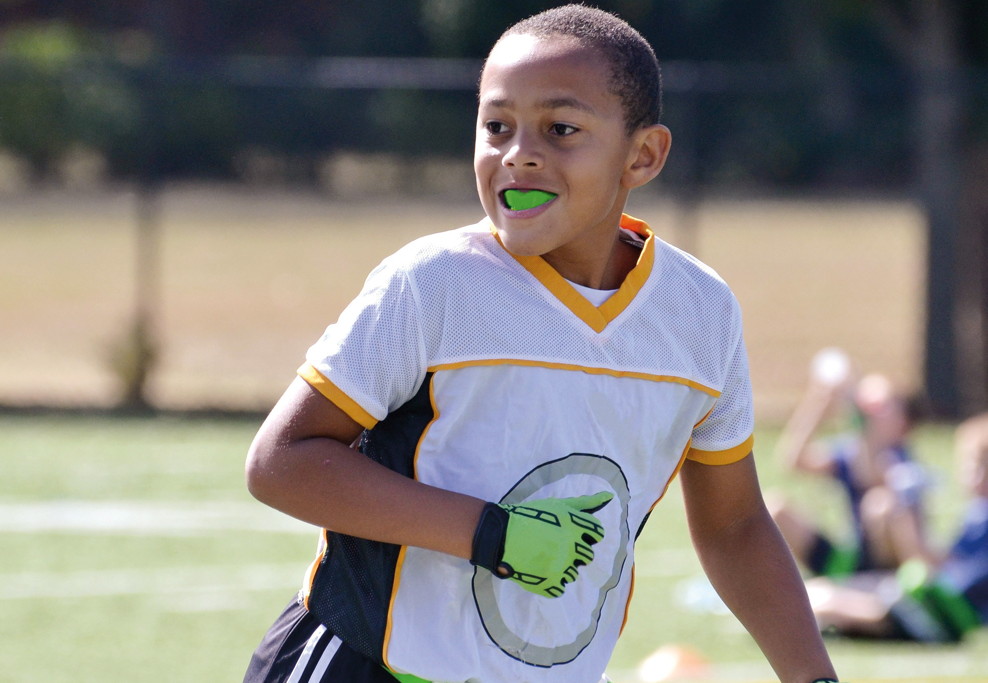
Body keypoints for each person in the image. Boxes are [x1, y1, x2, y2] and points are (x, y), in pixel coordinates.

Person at [243, 6, 839, 683]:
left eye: (561, 129)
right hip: (361, 665)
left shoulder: (701, 313)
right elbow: (280, 461)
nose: (518, 152)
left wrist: (814, 678)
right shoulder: (435, 282)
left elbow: (734, 528)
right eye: (496, 126)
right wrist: (489, 532)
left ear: (642, 155)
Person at [805, 414, 988, 642]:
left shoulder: (983, 515)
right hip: (935, 605)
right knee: (820, 594)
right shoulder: (976, 512)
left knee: (822, 602)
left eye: (973, 464)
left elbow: (945, 572)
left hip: (942, 613)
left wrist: (905, 520)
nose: (966, 473)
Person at [768, 361, 932, 578]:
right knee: (775, 508)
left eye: (881, 406)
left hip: (888, 566)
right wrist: (819, 403)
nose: (868, 411)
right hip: (853, 559)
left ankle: (896, 587)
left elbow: (874, 475)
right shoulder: (851, 450)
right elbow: (793, 461)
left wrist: (863, 428)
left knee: (880, 505)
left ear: (903, 422)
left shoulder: (901, 456)